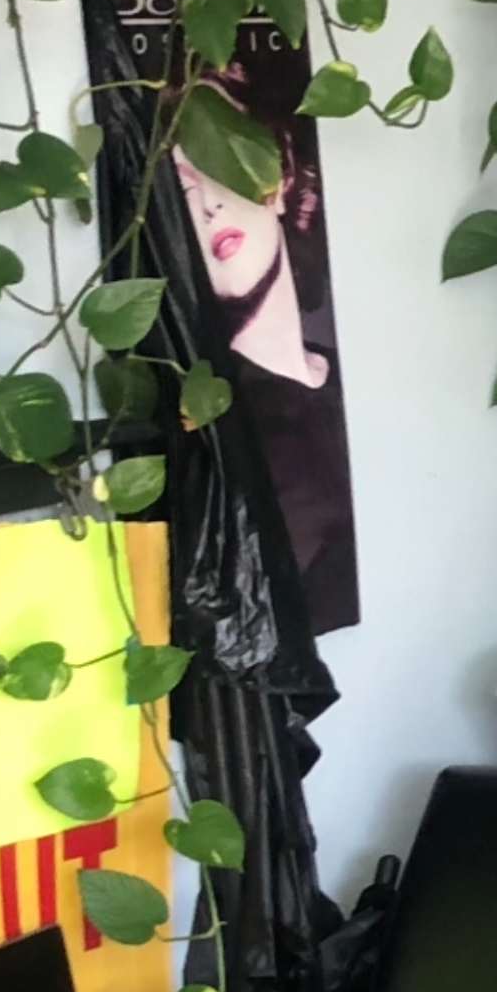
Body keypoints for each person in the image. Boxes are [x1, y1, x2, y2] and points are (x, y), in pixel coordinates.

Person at [170, 76, 359, 631]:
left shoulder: (349, 375)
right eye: (183, 188)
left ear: (277, 176)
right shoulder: (219, 420)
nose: (206, 207)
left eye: (218, 170)